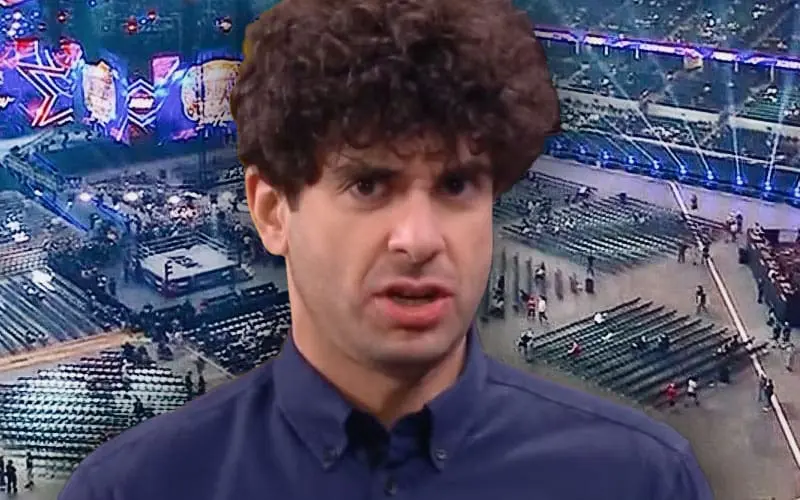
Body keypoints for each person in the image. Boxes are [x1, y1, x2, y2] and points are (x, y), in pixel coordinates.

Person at [58, 1, 710, 499]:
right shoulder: (133, 490)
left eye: (456, 185)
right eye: (369, 185)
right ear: (272, 211)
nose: (419, 239)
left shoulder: (640, 481)